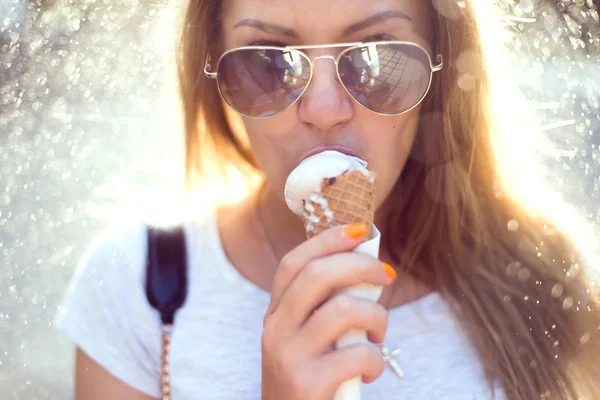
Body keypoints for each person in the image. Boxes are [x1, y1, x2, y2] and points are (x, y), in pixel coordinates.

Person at [55, 0, 600, 399]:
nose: (323, 109)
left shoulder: (546, 278)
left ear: (444, 65)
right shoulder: (137, 287)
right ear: (215, 71)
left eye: (377, 57)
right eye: (267, 61)